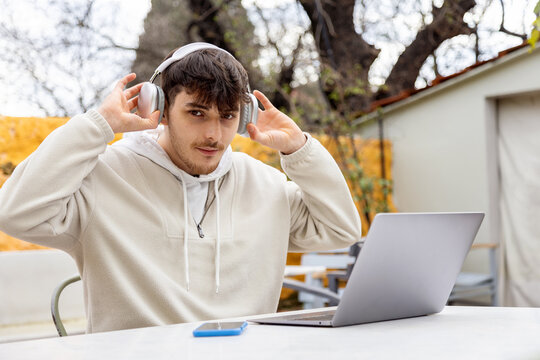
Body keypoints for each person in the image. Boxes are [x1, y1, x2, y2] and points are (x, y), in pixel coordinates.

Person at [0, 43, 362, 333]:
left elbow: (341, 228)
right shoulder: (104, 176)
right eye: (197, 112)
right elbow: (15, 214)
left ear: (243, 116)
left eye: (227, 116)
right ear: (159, 107)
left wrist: (300, 149)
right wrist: (98, 126)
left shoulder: (266, 186)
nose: (214, 135)